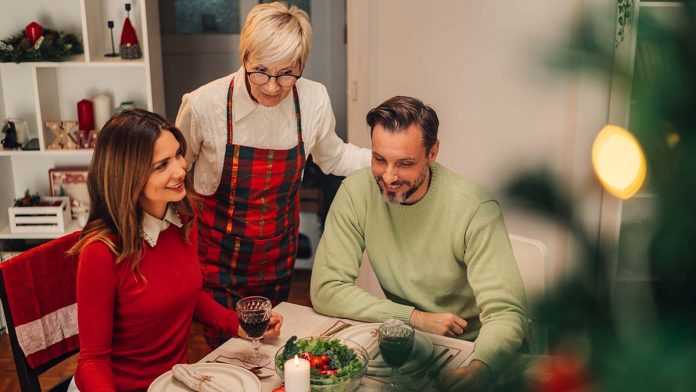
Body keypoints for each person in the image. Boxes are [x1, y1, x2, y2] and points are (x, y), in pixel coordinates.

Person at [176, 1, 370, 348]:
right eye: (261, 71)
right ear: (244, 55)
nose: (271, 86)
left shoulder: (313, 100)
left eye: (286, 74)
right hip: (216, 261)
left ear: (302, 66)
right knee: (227, 357)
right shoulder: (205, 105)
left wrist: (386, 160)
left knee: (268, 352)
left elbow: (334, 157)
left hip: (278, 258)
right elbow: (176, 176)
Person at [310, 96, 528, 391]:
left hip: (473, 348)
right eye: (379, 159)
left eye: (405, 163)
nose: (388, 176)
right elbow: (327, 288)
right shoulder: (356, 192)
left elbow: (506, 313)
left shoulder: (474, 207)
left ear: (432, 152)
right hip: (409, 342)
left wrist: (481, 367)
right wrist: (413, 318)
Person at [69, 109, 283, 392]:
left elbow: (185, 294)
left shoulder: (184, 217)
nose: (181, 169)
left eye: (179, 154)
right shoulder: (101, 251)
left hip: (175, 381)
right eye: (162, 165)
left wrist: (236, 324)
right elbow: (92, 361)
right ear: (127, 174)